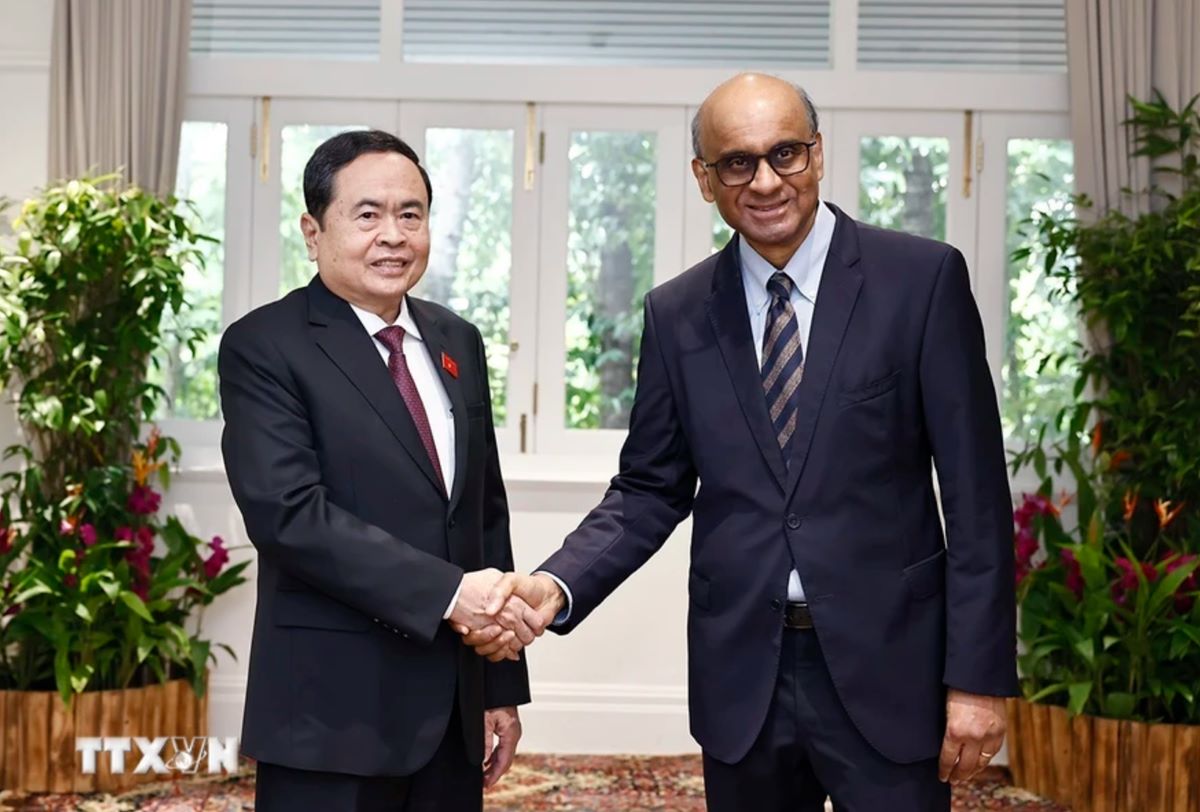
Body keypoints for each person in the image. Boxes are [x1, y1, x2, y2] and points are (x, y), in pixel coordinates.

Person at [465, 74, 1017, 811]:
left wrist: (977, 678)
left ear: (818, 155)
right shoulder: (678, 313)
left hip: (891, 667)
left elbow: (977, 497)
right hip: (743, 677)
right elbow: (649, 489)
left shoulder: (920, 282)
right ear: (704, 179)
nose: (765, 181)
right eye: (737, 162)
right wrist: (554, 584)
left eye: (784, 153)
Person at [219, 129, 539, 812]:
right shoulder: (264, 346)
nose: (393, 235)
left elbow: (482, 515)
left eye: (411, 214)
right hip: (331, 714)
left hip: (452, 710)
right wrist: (453, 595)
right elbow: (288, 516)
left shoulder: (457, 340)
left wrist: (500, 688)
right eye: (367, 215)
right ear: (313, 230)